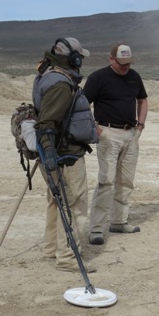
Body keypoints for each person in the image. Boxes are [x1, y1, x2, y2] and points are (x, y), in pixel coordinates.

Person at [33, 37, 99, 272]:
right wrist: (50, 153)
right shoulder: (61, 84)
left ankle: (52, 249)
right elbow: (47, 122)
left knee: (55, 201)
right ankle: (69, 257)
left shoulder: (48, 74)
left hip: (56, 152)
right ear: (74, 58)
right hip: (65, 154)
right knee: (75, 204)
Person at [83, 44, 148, 245]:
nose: (125, 68)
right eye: (122, 64)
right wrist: (95, 128)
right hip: (108, 134)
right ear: (111, 59)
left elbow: (143, 100)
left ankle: (119, 222)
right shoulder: (98, 78)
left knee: (125, 181)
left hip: (130, 134)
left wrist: (140, 126)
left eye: (128, 64)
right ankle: (96, 228)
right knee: (107, 181)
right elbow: (82, 105)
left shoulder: (134, 76)